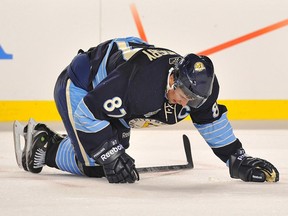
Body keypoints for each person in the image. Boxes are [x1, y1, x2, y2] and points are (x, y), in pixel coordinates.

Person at [16, 36, 279, 183]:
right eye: (183, 94)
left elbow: (210, 121)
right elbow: (88, 111)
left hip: (113, 87)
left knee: (116, 152)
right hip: (81, 86)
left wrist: (237, 159)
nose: (185, 103)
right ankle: (45, 145)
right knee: (98, 164)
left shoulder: (201, 88)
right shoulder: (141, 86)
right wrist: (108, 153)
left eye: (194, 100)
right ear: (173, 78)